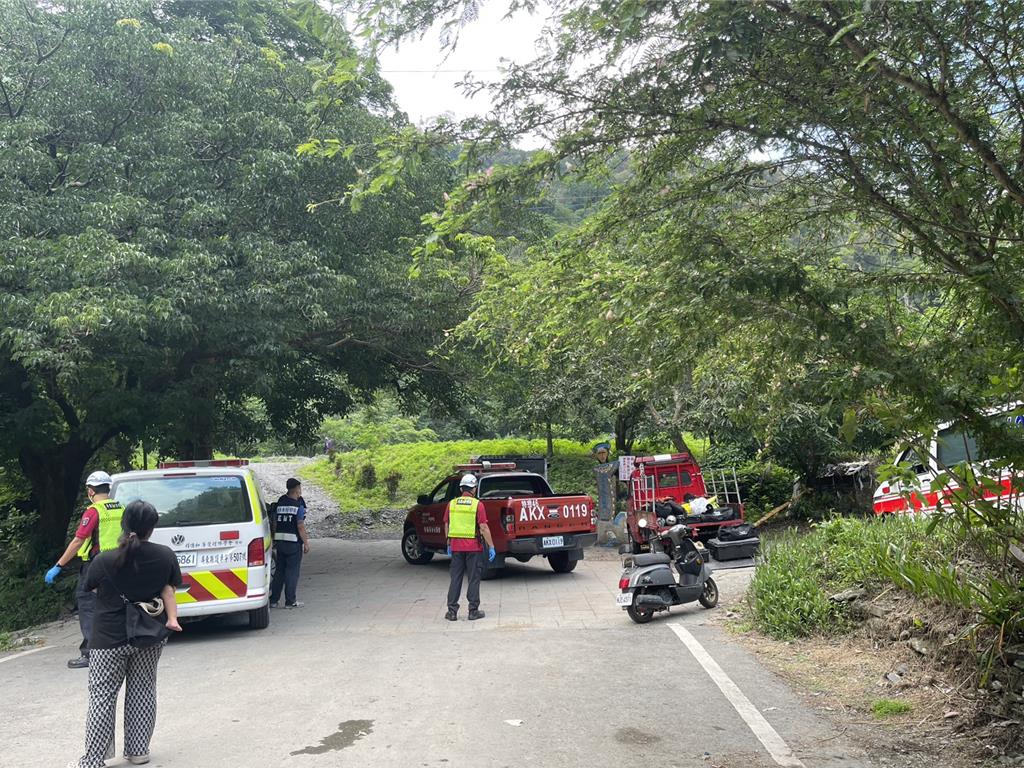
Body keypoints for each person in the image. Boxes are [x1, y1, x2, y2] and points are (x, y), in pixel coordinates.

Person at [68, 500, 182, 768]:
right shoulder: (165, 555)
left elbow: (92, 588)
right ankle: (138, 751)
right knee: (142, 689)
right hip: (149, 633)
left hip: (108, 637)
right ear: (152, 528)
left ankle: (94, 759)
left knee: (102, 696)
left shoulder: (104, 559)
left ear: (124, 524)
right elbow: (170, 589)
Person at [45, 470, 126, 669]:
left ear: (90, 490)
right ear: (108, 487)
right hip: (119, 562)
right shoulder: (121, 508)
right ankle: (120, 646)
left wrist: (58, 565)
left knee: (87, 603)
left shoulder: (94, 511)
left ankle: (91, 653)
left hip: (97, 565)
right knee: (115, 604)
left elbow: (78, 540)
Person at [443, 473, 495, 621]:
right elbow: (483, 527)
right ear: (474, 489)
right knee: (473, 578)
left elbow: (447, 523)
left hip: (456, 548)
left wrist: (448, 543)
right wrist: (491, 546)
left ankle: (452, 612)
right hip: (474, 548)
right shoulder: (477, 505)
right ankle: (473, 611)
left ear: (461, 489)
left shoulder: (451, 504)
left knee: (456, 579)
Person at [270, 478, 310, 609]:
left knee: (279, 572)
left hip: (280, 543)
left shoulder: (280, 503)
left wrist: (274, 537)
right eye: (300, 488)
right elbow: (300, 526)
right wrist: (306, 542)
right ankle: (290, 601)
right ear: (297, 489)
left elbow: (275, 522)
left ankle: (274, 600)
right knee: (292, 572)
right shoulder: (298, 506)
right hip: (293, 544)